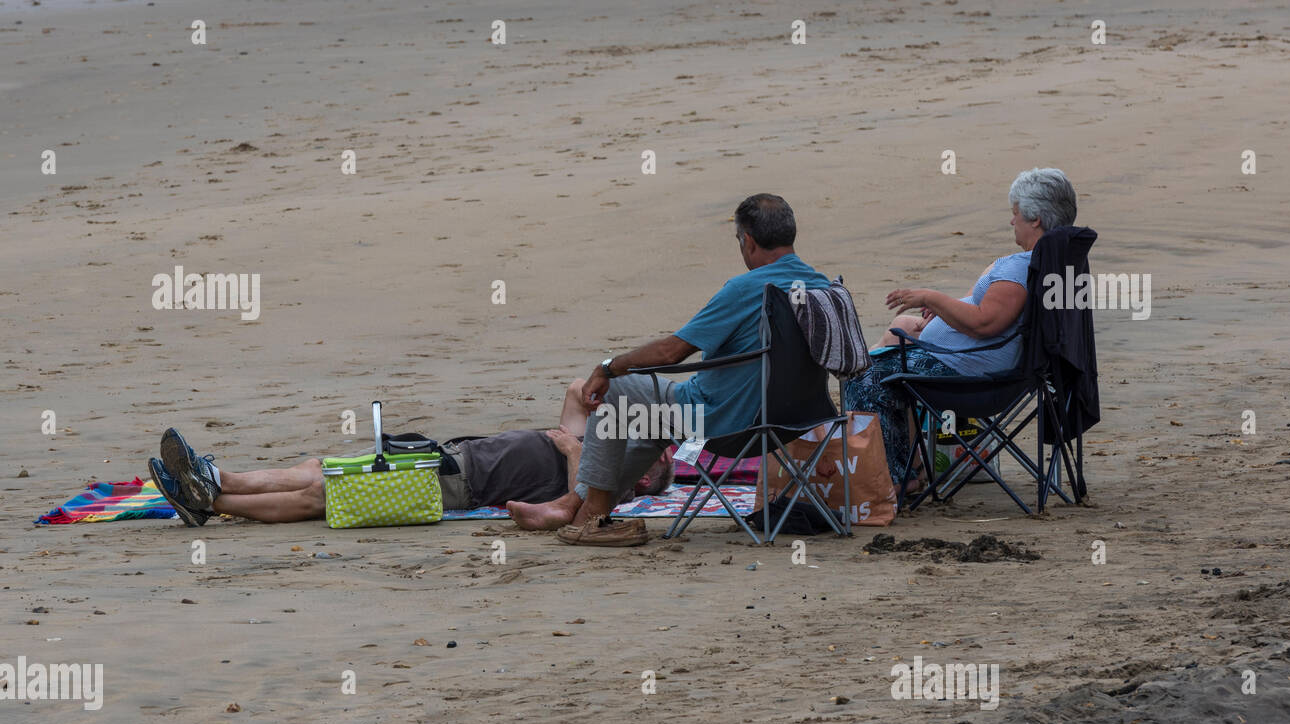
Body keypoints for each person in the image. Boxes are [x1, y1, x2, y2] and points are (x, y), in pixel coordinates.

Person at [508, 193, 830, 546]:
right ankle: (571, 504)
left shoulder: (748, 289)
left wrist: (608, 368)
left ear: (748, 241)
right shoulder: (822, 287)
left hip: (726, 423)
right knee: (650, 425)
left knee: (617, 391)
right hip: (794, 420)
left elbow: (672, 351)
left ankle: (590, 519)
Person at [846, 167, 1079, 486]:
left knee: (864, 377)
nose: (1012, 221)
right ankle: (907, 467)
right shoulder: (1056, 260)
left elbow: (985, 323)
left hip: (972, 379)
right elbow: (985, 313)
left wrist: (931, 296)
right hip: (998, 369)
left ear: (1035, 218)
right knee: (891, 345)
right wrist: (943, 310)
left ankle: (894, 480)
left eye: (1015, 214)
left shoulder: (1021, 270)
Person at [147, 401, 675, 527]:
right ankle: (210, 483)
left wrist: (574, 451)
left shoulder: (604, 485)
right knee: (319, 468)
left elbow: (582, 505)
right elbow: (576, 393)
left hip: (454, 486)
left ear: (644, 476)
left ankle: (210, 495)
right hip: (447, 457)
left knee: (320, 496)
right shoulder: (595, 454)